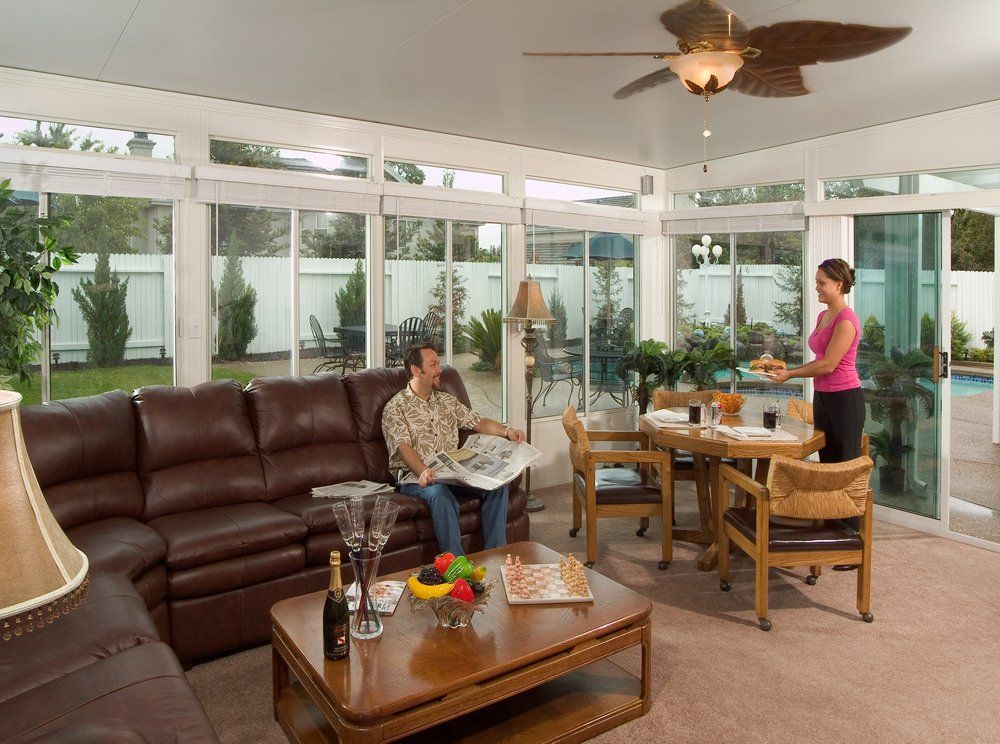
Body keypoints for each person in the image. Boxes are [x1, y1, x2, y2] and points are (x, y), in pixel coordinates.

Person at [382, 343, 525, 557]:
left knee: (497, 485)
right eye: (433, 365)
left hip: (453, 472)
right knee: (440, 494)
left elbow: (478, 422)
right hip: (416, 477)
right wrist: (422, 470)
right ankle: (457, 566)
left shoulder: (446, 400)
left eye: (438, 363)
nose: (440, 369)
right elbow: (403, 446)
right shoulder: (396, 407)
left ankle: (496, 555)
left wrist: (508, 431)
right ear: (416, 370)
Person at [769, 259, 865, 569]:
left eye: (822, 282)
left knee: (846, 467)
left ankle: (851, 539)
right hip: (824, 397)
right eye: (817, 281)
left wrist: (790, 375)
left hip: (845, 399)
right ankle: (831, 527)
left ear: (838, 284)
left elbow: (828, 365)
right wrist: (787, 368)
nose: (817, 287)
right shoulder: (825, 315)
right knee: (828, 464)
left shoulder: (847, 320)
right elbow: (819, 358)